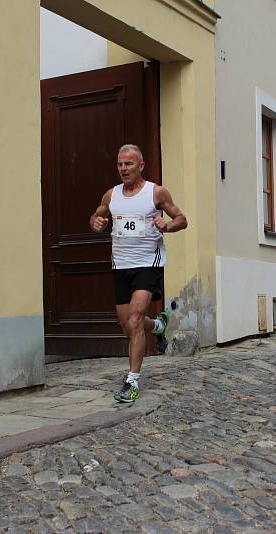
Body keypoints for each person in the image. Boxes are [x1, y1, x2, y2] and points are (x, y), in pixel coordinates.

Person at [89, 144, 187, 403]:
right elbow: (96, 217)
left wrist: (167, 225)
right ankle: (157, 326)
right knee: (127, 326)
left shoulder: (155, 193)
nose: (124, 169)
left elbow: (181, 219)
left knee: (134, 320)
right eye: (120, 164)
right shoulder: (111, 196)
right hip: (120, 265)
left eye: (129, 164)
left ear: (140, 166)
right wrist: (96, 223)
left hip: (147, 263)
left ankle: (131, 382)